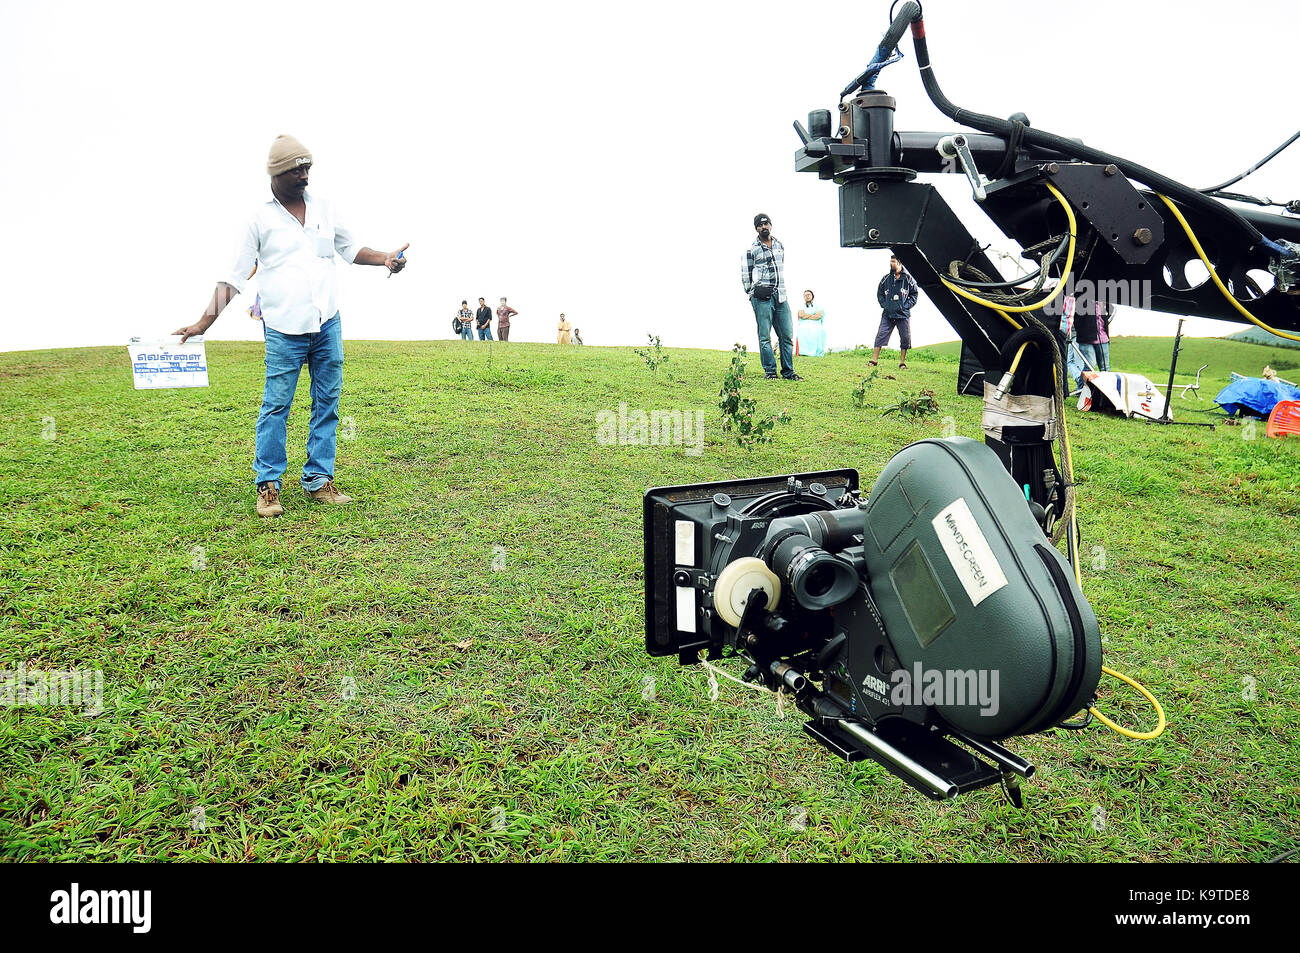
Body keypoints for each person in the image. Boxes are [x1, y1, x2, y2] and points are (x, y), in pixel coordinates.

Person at [174, 134, 408, 518]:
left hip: (326, 324)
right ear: (276, 174)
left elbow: (350, 250)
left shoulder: (325, 209)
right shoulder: (258, 219)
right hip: (284, 330)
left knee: (327, 404)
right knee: (276, 406)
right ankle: (268, 486)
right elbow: (232, 278)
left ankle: (319, 479)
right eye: (297, 170)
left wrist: (385, 258)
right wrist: (204, 322)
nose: (304, 176)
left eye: (307, 168)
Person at [741, 213, 801, 380]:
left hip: (781, 296)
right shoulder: (752, 249)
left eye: (766, 224)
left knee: (786, 335)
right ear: (756, 228)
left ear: (771, 225)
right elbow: (746, 275)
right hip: (762, 298)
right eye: (760, 225)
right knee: (765, 336)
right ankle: (770, 371)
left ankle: (788, 372)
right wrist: (752, 292)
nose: (764, 227)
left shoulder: (779, 245)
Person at [873, 254, 918, 368]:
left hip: (903, 315)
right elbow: (880, 293)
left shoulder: (908, 279)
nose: (891, 263)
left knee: (905, 338)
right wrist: (885, 305)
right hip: (888, 314)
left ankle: (902, 363)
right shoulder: (886, 279)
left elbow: (914, 295)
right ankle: (874, 360)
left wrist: (905, 306)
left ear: (899, 263)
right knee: (880, 335)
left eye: (893, 261)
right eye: (891, 261)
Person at [1075, 299, 1112, 383]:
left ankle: (1106, 391)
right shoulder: (1081, 298)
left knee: (1105, 368)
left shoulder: (1103, 299)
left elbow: (1111, 310)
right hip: (1086, 338)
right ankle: (1080, 389)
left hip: (1103, 338)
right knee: (1090, 366)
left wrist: (1106, 320)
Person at [796, 288, 826, 357]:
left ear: (812, 296)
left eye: (809, 294)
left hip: (816, 324)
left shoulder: (818, 305)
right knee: (802, 330)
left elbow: (819, 316)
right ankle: (804, 352)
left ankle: (816, 352)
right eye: (805, 295)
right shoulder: (801, 306)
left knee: (818, 330)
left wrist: (806, 316)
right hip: (804, 324)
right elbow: (801, 315)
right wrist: (813, 315)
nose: (807, 296)